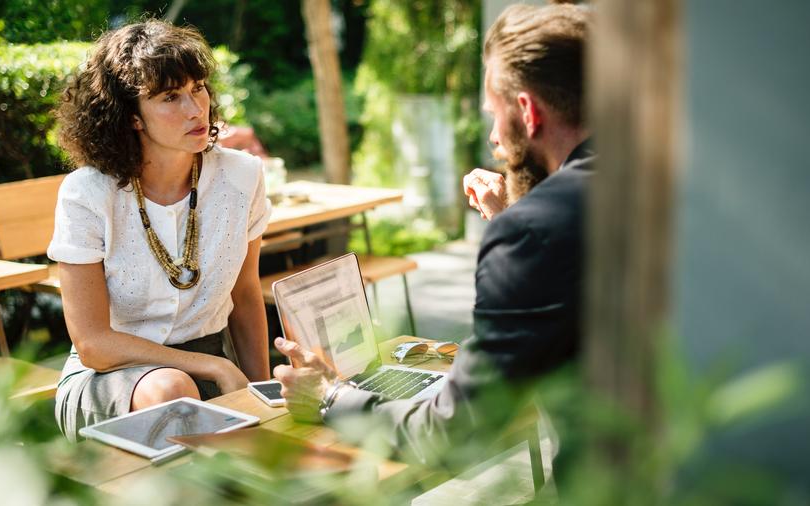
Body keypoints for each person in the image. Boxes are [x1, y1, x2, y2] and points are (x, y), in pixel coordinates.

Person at [272, 3, 593, 466]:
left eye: (493, 115)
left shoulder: (530, 233)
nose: (494, 139)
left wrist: (329, 399)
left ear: (527, 111)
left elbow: (454, 432)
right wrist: (514, 216)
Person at [49, 19, 271, 441]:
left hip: (213, 365)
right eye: (171, 97)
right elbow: (94, 343)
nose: (195, 108)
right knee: (173, 390)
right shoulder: (87, 193)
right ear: (132, 117)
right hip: (113, 379)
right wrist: (216, 367)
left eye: (198, 88)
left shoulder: (243, 176)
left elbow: (245, 295)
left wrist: (262, 394)